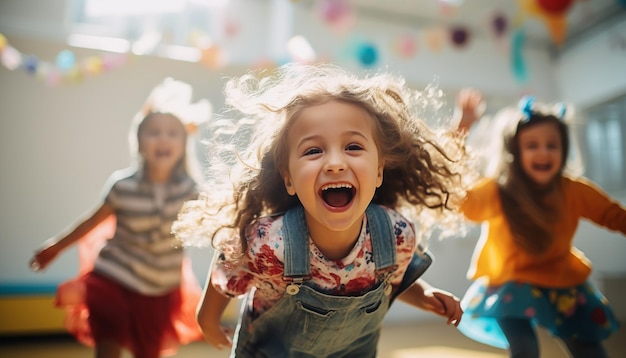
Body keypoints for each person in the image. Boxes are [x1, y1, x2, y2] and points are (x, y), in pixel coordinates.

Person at [172, 63, 478, 357]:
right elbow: (226, 267)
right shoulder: (266, 243)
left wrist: (423, 296)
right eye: (313, 150)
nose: (334, 163)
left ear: (380, 171)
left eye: (353, 147)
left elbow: (388, 282)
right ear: (288, 178)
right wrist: (207, 321)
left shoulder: (396, 235)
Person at [29, 78, 212, 358]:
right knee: (109, 336)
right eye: (153, 132)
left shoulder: (190, 191)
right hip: (114, 275)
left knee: (148, 351)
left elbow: (219, 215)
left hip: (160, 286)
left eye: (172, 133)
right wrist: (55, 246)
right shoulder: (122, 185)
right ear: (139, 143)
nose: (163, 139)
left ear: (183, 144)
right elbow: (90, 223)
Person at [454, 89, 624, 358]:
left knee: (589, 350)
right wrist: (462, 128)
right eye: (532, 145)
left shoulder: (573, 190)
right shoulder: (499, 191)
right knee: (525, 349)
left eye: (552, 145)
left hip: (562, 282)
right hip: (512, 283)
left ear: (563, 149)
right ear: (514, 151)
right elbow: (463, 203)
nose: (543, 153)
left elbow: (615, 216)